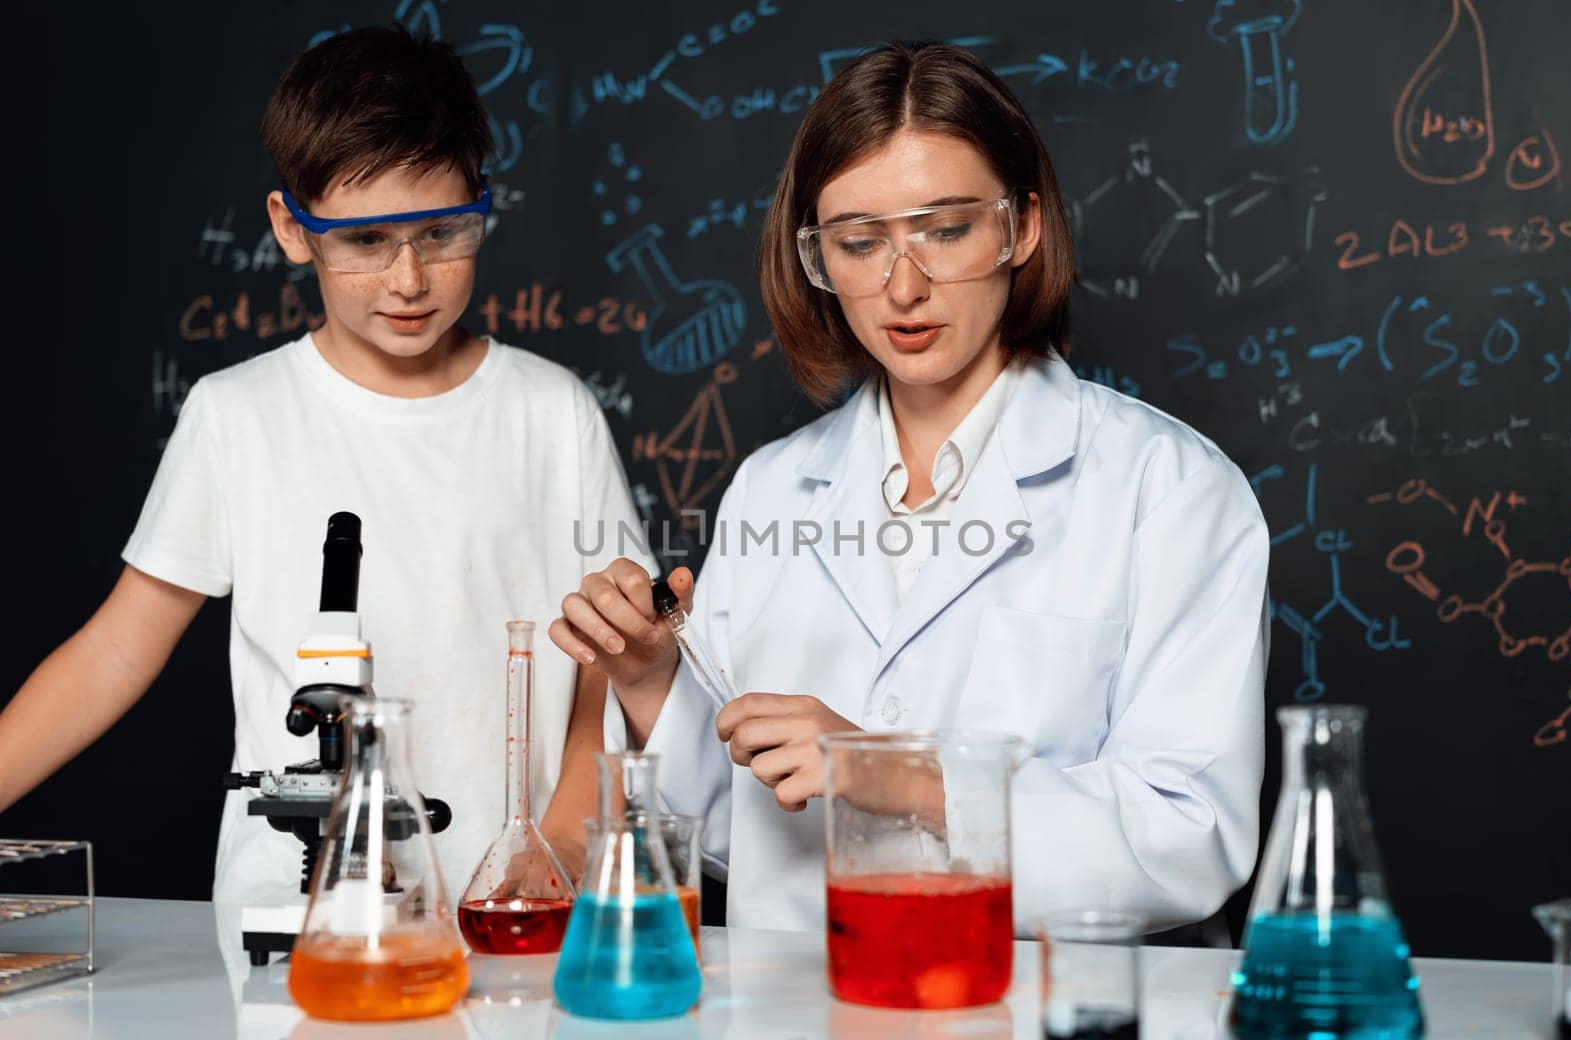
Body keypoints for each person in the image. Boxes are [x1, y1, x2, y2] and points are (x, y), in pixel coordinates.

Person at [550, 41, 1271, 934]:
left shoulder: (1171, 491)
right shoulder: (773, 490)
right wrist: (655, 680)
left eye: (947, 230)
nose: (903, 286)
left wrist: (900, 774)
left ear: (1023, 227)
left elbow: (1187, 837)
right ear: (818, 256)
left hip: (1027, 1021)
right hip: (797, 1023)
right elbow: (737, 830)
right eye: (859, 243)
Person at [0, 27, 649, 902]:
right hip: (294, 914)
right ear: (292, 229)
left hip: (506, 906)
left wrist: (568, 825)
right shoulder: (237, 414)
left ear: (484, 207)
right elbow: (115, 649)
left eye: (442, 232)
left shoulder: (552, 411)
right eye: (367, 240)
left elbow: (614, 648)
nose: (409, 277)